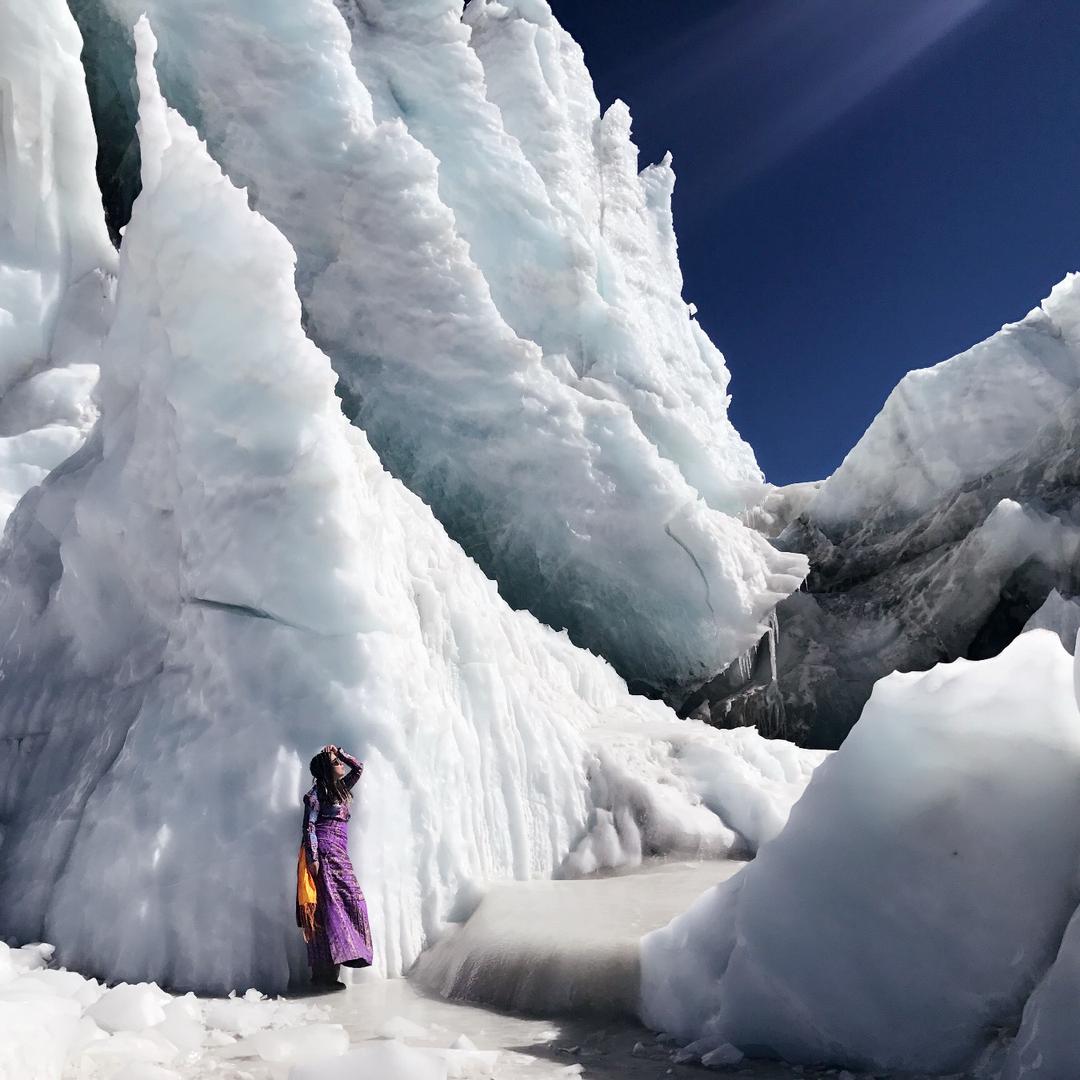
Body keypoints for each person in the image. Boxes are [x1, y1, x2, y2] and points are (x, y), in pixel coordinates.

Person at [296, 744, 373, 987]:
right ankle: (324, 977)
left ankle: (331, 971)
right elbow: (309, 826)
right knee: (329, 908)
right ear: (326, 770)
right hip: (326, 853)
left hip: (340, 853)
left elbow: (358, 768)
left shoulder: (340, 790)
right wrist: (313, 858)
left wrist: (339, 752)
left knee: (349, 904)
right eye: (335, 762)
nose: (340, 765)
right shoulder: (315, 795)